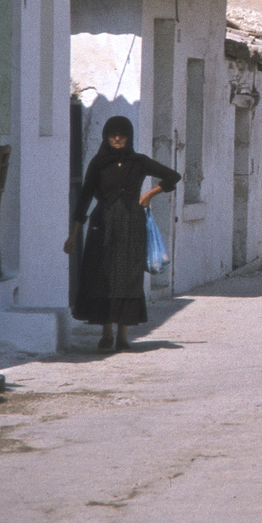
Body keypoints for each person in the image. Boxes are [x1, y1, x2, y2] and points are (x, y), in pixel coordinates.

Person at [64, 115, 181, 351]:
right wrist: (74, 234)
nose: (117, 139)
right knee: (102, 276)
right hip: (102, 226)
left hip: (131, 225)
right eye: (113, 134)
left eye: (122, 134)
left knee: (128, 278)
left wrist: (149, 195)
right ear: (107, 137)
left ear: (129, 137)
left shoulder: (139, 162)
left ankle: (123, 336)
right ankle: (106, 333)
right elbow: (85, 197)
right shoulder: (98, 163)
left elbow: (172, 177)